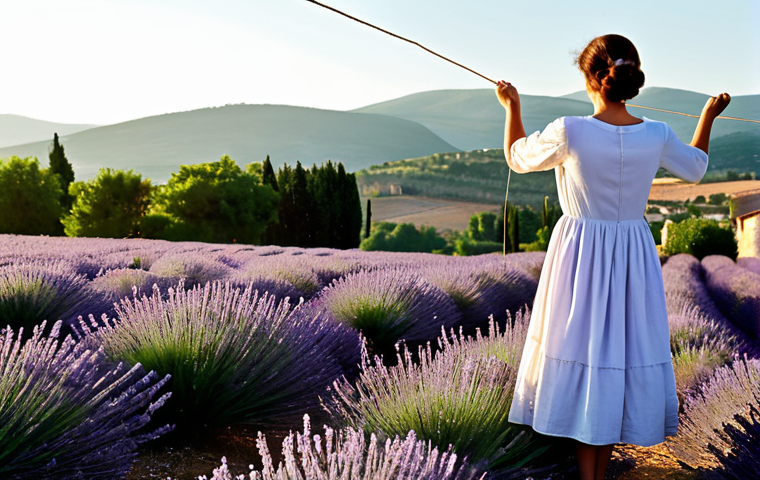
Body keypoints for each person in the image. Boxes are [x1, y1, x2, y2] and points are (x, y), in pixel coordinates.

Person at [495, 34, 730, 480]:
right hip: (633, 254)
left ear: (590, 78)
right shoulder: (656, 133)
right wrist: (707, 117)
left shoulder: (570, 129)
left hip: (581, 254)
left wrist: (511, 107)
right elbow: (696, 167)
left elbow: (517, 158)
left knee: (585, 354)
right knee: (617, 356)